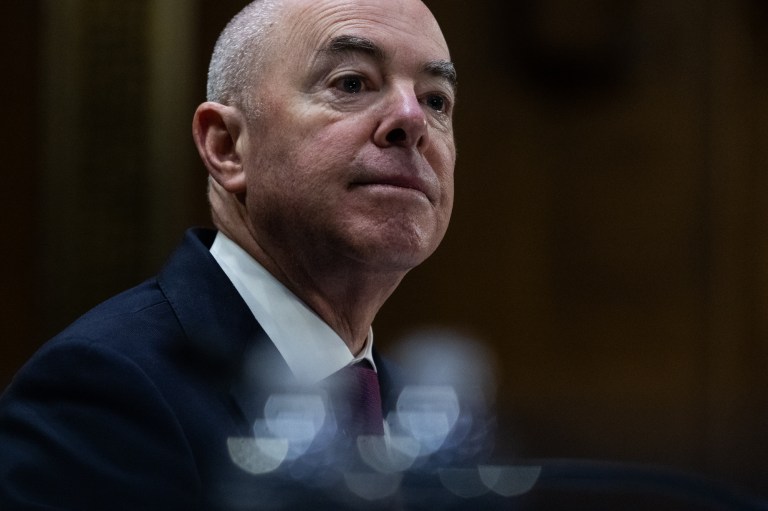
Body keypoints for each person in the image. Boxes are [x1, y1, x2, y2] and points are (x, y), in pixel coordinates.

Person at [0, 0, 458, 509]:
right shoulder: (103, 390)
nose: (412, 119)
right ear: (226, 147)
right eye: (351, 84)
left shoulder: (418, 419)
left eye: (436, 100)